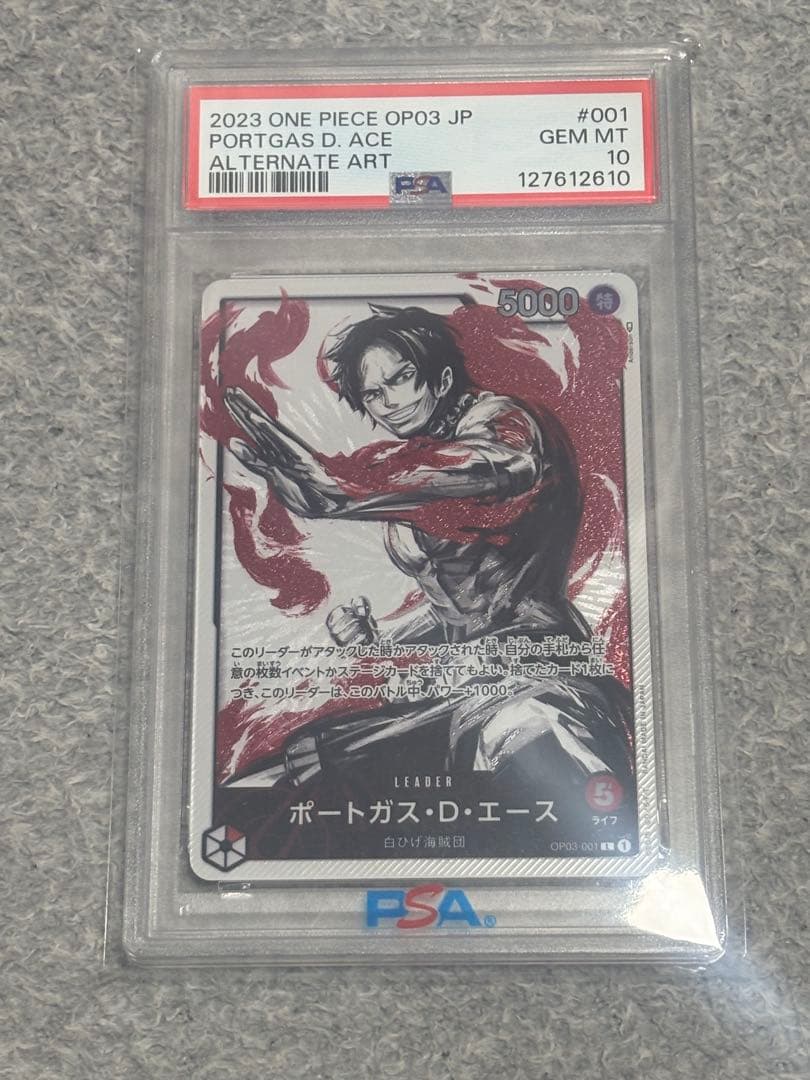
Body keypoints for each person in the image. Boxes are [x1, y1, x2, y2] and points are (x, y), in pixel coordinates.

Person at [224, 305, 635, 820]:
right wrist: (382, 643)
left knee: (521, 748)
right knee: (275, 782)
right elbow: (461, 602)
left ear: (440, 377)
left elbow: (504, 463)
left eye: (401, 379)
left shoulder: (502, 421)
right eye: (374, 394)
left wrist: (343, 488)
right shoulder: (420, 456)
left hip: (536, 675)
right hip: (461, 683)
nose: (390, 402)